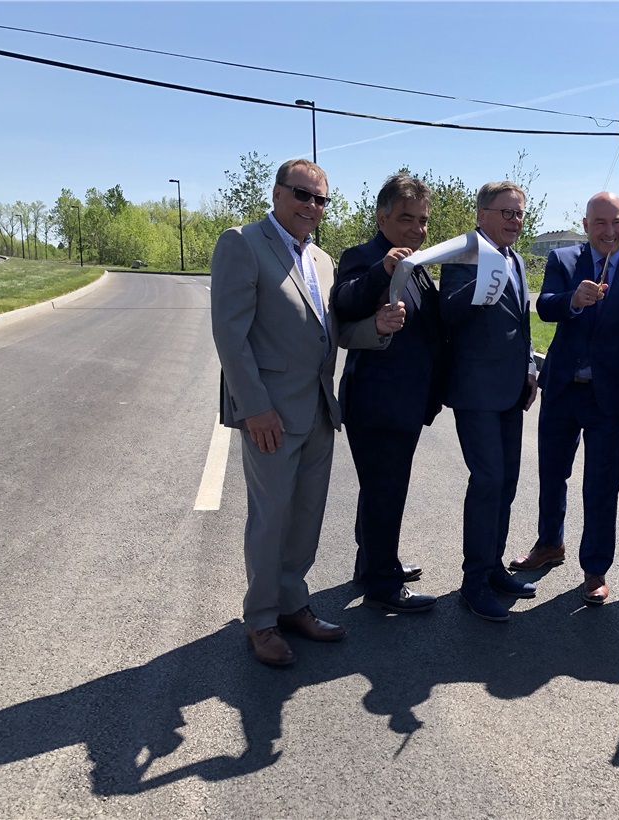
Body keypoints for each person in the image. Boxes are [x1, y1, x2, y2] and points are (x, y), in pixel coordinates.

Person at [211, 158, 406, 666]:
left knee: (305, 518)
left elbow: (332, 331)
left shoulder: (320, 259)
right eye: (302, 194)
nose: (312, 206)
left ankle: (292, 604)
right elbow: (230, 335)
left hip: (319, 409)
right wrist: (255, 408)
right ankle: (261, 620)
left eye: (321, 199)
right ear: (277, 193)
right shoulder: (242, 243)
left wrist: (376, 328)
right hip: (271, 415)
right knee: (270, 518)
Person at [509, 192, 619, 605]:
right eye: (600, 223)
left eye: (617, 222)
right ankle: (549, 543)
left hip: (608, 397)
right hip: (562, 388)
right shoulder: (563, 260)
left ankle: (595, 568)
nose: (609, 231)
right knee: (551, 473)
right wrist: (573, 301)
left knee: (601, 483)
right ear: (586, 225)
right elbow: (545, 307)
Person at [331, 173, 448, 614]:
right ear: (382, 218)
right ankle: (384, 584)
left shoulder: (417, 266)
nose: (417, 229)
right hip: (376, 403)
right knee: (386, 491)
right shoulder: (364, 257)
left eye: (422, 220)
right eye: (406, 219)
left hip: (406, 402)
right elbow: (345, 302)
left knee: (381, 490)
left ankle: (374, 563)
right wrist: (382, 270)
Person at [440, 181, 539, 622]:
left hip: (512, 391)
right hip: (477, 392)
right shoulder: (465, 255)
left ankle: (494, 567)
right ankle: (474, 582)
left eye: (519, 213)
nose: (515, 221)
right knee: (488, 480)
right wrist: (482, 285)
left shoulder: (516, 258)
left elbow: (521, 322)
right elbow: (448, 312)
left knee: (507, 483)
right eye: (506, 212)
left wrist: (530, 370)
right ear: (482, 214)